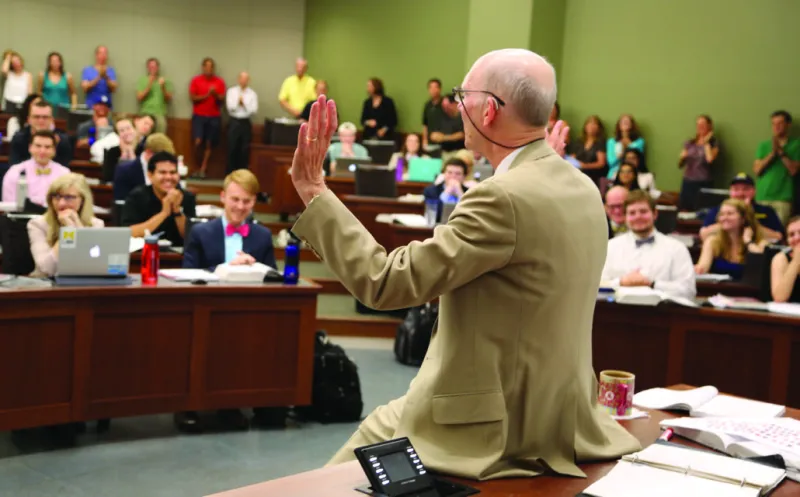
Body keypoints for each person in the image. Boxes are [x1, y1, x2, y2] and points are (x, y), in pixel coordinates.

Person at [289, 48, 640, 479]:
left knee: (321, 484)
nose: (456, 107)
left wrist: (314, 190)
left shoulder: (501, 197)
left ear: (489, 110)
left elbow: (384, 282)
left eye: (462, 96)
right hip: (565, 416)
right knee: (381, 424)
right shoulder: (583, 187)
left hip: (494, 427)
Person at [178, 169, 277, 432]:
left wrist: (256, 268)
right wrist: (225, 267)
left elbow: (274, 280)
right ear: (222, 197)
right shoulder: (201, 233)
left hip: (248, 313)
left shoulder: (262, 236)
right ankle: (189, 405)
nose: (240, 206)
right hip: (204, 311)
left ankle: (232, 403)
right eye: (235, 199)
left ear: (254, 202)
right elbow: (188, 276)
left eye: (246, 201)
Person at [601, 190, 696, 299]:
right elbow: (598, 286)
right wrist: (621, 282)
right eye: (632, 213)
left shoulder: (676, 249)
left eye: (643, 211)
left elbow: (689, 291)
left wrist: (652, 283)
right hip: (617, 312)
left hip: (663, 313)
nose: (638, 217)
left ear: (655, 214)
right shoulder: (610, 247)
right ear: (625, 217)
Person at [27, 173, 104, 277]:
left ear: (82, 200)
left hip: (82, 283)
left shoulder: (96, 224)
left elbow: (92, 264)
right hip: (45, 285)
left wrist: (78, 228)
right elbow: (47, 269)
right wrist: (68, 231)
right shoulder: (37, 224)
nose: (61, 203)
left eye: (69, 197)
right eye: (57, 197)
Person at [120, 152, 196, 247]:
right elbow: (129, 233)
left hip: (179, 257)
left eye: (173, 172)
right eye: (162, 172)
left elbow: (192, 237)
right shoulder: (137, 196)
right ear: (150, 175)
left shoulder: (186, 197)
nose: (168, 177)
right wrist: (164, 213)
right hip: (143, 254)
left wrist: (177, 211)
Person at [695, 199, 767, 280]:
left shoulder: (760, 243)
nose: (724, 218)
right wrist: (698, 269)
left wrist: (748, 241)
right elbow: (703, 267)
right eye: (721, 214)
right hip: (719, 290)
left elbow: (760, 265)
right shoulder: (712, 241)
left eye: (730, 214)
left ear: (743, 219)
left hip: (748, 291)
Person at [699, 173, 784, 242]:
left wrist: (747, 215)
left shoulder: (766, 211)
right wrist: (728, 221)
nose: (740, 193)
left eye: (745, 189)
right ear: (730, 192)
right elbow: (704, 234)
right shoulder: (718, 210)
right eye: (736, 189)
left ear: (754, 191)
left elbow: (779, 237)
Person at [753, 110, 799, 226]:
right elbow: (757, 170)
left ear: (788, 125)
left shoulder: (797, 144)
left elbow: (794, 170)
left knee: (780, 233)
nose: (776, 127)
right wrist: (772, 154)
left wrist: (780, 152)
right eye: (773, 124)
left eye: (780, 123)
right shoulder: (764, 145)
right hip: (762, 196)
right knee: (760, 232)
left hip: (783, 199)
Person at [3, 130, 71, 206]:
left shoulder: (64, 174)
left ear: (54, 150)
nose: (42, 151)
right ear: (30, 147)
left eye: (47, 147)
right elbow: (8, 204)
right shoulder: (15, 172)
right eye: (38, 146)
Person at [189, 57, 225, 178]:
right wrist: (207, 95)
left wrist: (214, 94)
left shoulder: (219, 82)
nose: (209, 69)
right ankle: (195, 167)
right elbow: (193, 98)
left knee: (209, 144)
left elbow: (222, 99)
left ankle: (203, 169)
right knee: (197, 142)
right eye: (206, 66)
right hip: (199, 116)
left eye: (211, 67)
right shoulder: (196, 80)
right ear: (203, 67)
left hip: (214, 117)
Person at [9, 100, 73, 167]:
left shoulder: (62, 140)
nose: (41, 120)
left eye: (45, 117)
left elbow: (64, 168)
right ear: (29, 119)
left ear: (51, 119)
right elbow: (14, 166)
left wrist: (55, 146)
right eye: (36, 117)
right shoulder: (19, 138)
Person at [113, 133, 175, 201]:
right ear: (148, 153)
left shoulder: (171, 173)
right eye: (162, 158)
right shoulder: (124, 171)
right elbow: (121, 202)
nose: (165, 163)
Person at [678, 115, 719, 210]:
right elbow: (680, 164)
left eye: (703, 124)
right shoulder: (690, 142)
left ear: (709, 126)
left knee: (702, 211)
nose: (700, 126)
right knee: (685, 209)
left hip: (704, 182)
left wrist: (706, 143)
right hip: (688, 182)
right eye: (698, 124)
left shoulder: (714, 143)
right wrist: (682, 157)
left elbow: (710, 160)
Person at [225, 71, 258, 173]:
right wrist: (237, 103)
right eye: (242, 78)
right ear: (238, 79)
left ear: (248, 80)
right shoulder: (231, 91)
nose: (243, 81)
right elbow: (230, 107)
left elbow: (254, 110)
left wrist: (244, 104)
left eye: (246, 79)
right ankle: (230, 174)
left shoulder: (252, 94)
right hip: (234, 122)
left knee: (244, 150)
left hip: (245, 123)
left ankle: (242, 174)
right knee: (232, 148)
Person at [422, 158, 469, 222]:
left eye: (458, 174)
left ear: (464, 177)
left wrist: (460, 193)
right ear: (444, 174)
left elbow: (469, 216)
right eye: (449, 172)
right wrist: (446, 193)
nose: (453, 176)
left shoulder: (470, 192)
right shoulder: (431, 191)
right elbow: (434, 216)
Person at [136, 58, 173, 133]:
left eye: (154, 66)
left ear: (158, 67)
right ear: (147, 68)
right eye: (150, 67)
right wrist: (150, 83)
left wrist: (163, 87)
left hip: (160, 114)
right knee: (144, 138)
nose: (152, 69)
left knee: (159, 139)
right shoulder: (142, 80)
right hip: (146, 113)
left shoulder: (165, 80)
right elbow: (139, 97)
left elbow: (168, 99)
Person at [568, 115, 607, 185]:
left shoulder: (600, 142)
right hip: (576, 173)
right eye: (589, 123)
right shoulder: (579, 141)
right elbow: (572, 158)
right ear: (585, 126)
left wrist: (584, 166)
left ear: (599, 128)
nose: (591, 126)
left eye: (594, 124)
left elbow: (601, 163)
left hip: (593, 175)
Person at [427, 93, 466, 162]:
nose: (445, 109)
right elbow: (433, 135)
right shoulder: (441, 116)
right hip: (444, 152)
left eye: (447, 106)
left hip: (460, 152)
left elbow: (462, 135)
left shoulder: (463, 116)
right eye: (443, 106)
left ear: (454, 104)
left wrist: (444, 138)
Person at [771, 216, 800, 303]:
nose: (796, 238)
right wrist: (796, 261)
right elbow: (780, 298)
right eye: (791, 235)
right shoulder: (781, 259)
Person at [606, 114, 644, 179]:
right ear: (618, 125)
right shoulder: (611, 142)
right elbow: (611, 163)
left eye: (627, 121)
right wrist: (622, 152)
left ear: (632, 125)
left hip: (633, 173)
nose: (625, 123)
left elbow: (638, 160)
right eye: (623, 121)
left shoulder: (639, 142)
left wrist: (627, 146)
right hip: (614, 173)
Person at [421, 78, 444, 150]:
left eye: (435, 87)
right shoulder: (427, 105)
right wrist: (424, 140)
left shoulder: (445, 104)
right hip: (430, 142)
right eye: (431, 87)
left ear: (440, 89)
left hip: (443, 142)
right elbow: (425, 124)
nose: (433, 90)